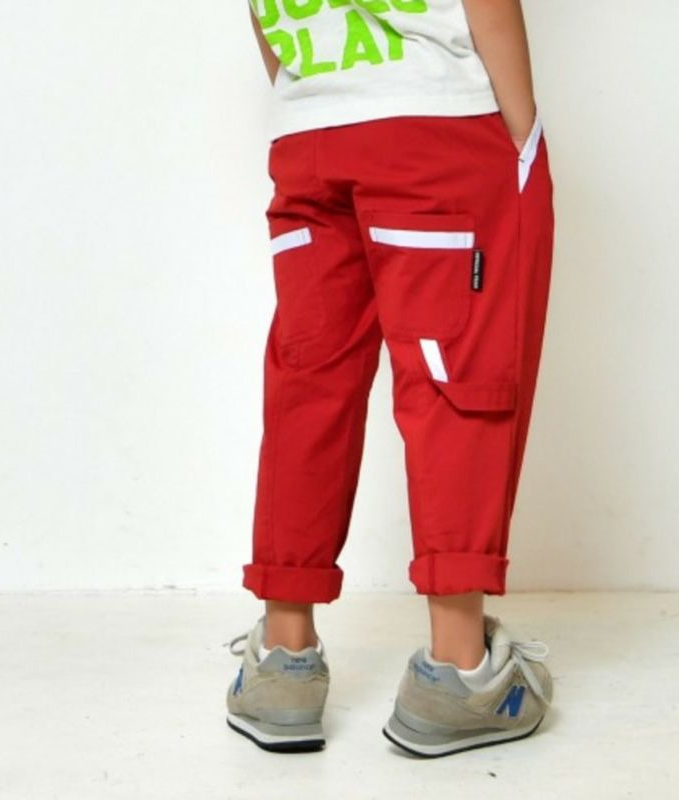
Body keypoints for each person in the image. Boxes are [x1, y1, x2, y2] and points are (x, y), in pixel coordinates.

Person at [223, 0, 555, 757]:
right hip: (435, 127)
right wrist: (522, 134)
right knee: (455, 376)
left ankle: (283, 661)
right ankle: (459, 670)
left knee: (309, 385)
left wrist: (318, 93)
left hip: (311, 131)